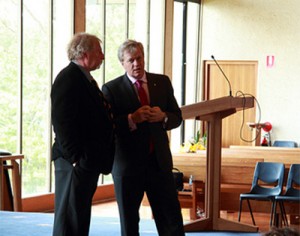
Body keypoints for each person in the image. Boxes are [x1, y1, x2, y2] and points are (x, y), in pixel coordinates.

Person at [102, 39, 185, 236]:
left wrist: (163, 117)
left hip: (159, 164)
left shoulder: (162, 82)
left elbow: (177, 117)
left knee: (171, 220)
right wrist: (132, 119)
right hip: (128, 167)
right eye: (131, 60)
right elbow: (107, 127)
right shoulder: (111, 89)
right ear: (122, 63)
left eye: (139, 58)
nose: (136, 64)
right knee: (130, 222)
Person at [51, 32, 115, 236]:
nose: (103, 56)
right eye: (99, 51)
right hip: (74, 163)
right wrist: (75, 158)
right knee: (69, 219)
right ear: (84, 54)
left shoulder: (83, 78)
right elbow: (62, 122)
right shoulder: (68, 78)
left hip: (85, 161)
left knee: (78, 216)